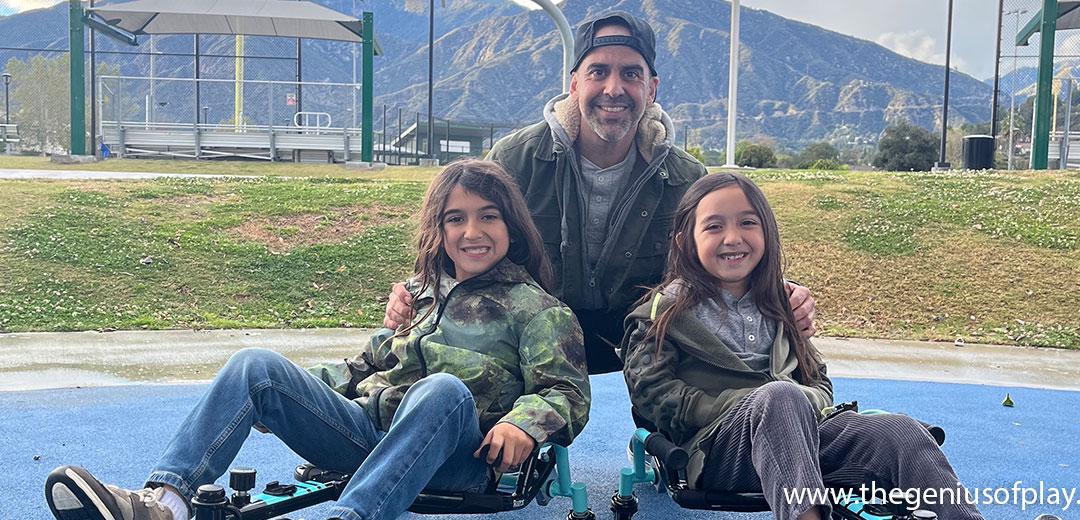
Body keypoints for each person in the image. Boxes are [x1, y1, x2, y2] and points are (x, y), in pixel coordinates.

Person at [44, 159, 591, 520]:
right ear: (439, 232)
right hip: (365, 437)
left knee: (443, 389)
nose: (471, 232)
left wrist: (525, 422)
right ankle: (165, 502)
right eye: (456, 219)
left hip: (458, 455)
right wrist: (285, 398)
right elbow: (361, 367)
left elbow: (566, 392)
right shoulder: (421, 297)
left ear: (513, 227)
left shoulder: (537, 309)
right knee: (254, 365)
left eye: (487, 217)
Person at [386, 11, 818, 374]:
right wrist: (414, 292)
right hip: (530, 329)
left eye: (631, 74)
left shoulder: (689, 179)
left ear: (652, 88)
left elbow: (722, 257)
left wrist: (783, 290)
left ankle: (698, 444)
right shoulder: (513, 161)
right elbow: (459, 243)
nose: (614, 89)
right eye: (598, 72)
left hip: (644, 337)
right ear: (575, 84)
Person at [621, 172, 983, 520]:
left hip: (803, 435)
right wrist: (742, 404)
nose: (732, 238)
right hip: (717, 449)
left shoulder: (782, 304)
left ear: (767, 233)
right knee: (779, 397)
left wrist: (801, 406)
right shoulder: (664, 311)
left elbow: (818, 382)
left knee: (898, 430)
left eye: (748, 223)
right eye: (714, 226)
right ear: (686, 241)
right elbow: (650, 391)